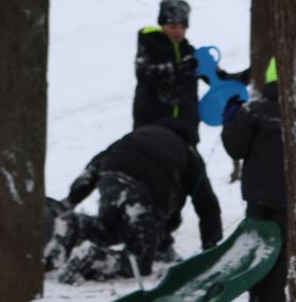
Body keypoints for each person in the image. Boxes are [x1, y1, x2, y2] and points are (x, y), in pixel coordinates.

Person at [49, 120, 222, 283]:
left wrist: (71, 200)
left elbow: (94, 166)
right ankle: (93, 258)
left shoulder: (139, 135)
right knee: (140, 263)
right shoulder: (188, 152)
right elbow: (206, 203)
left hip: (110, 179)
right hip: (141, 192)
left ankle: (72, 225)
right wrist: (211, 246)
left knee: (110, 228)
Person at [221, 58, 285, 302]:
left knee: (256, 245)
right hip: (287, 195)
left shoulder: (252, 110)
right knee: (280, 251)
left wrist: (231, 121)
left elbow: (235, 148)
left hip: (257, 193)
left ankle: (254, 301)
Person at [134, 0, 200, 136]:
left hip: (185, 127)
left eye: (183, 27)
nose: (178, 31)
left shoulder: (189, 52)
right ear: (163, 25)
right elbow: (144, 73)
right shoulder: (150, 44)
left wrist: (250, 73)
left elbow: (217, 78)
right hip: (152, 124)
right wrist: (178, 68)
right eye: (173, 26)